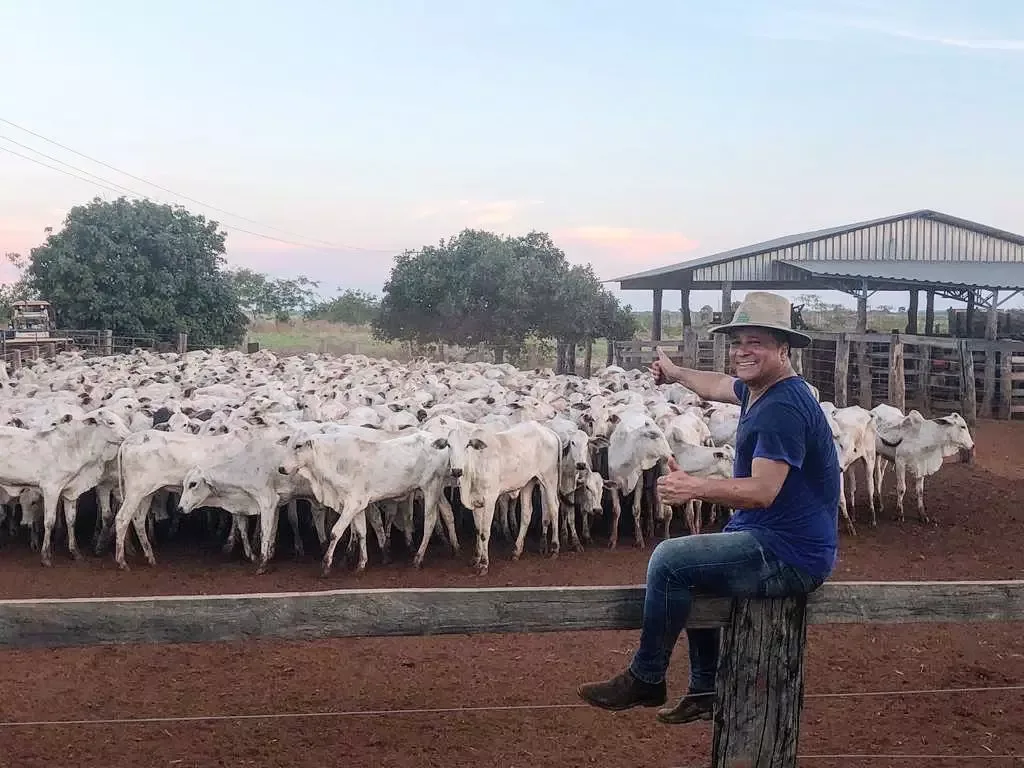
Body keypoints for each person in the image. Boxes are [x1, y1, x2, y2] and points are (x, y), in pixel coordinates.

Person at [577, 291, 840, 724]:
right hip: (768, 537)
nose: (742, 351)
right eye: (738, 342)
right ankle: (705, 687)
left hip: (791, 554)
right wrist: (677, 373)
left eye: (755, 342)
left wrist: (693, 486)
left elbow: (762, 491)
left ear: (783, 348)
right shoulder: (761, 391)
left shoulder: (782, 409)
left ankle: (647, 677)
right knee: (697, 569)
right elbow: (718, 385)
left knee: (670, 560)